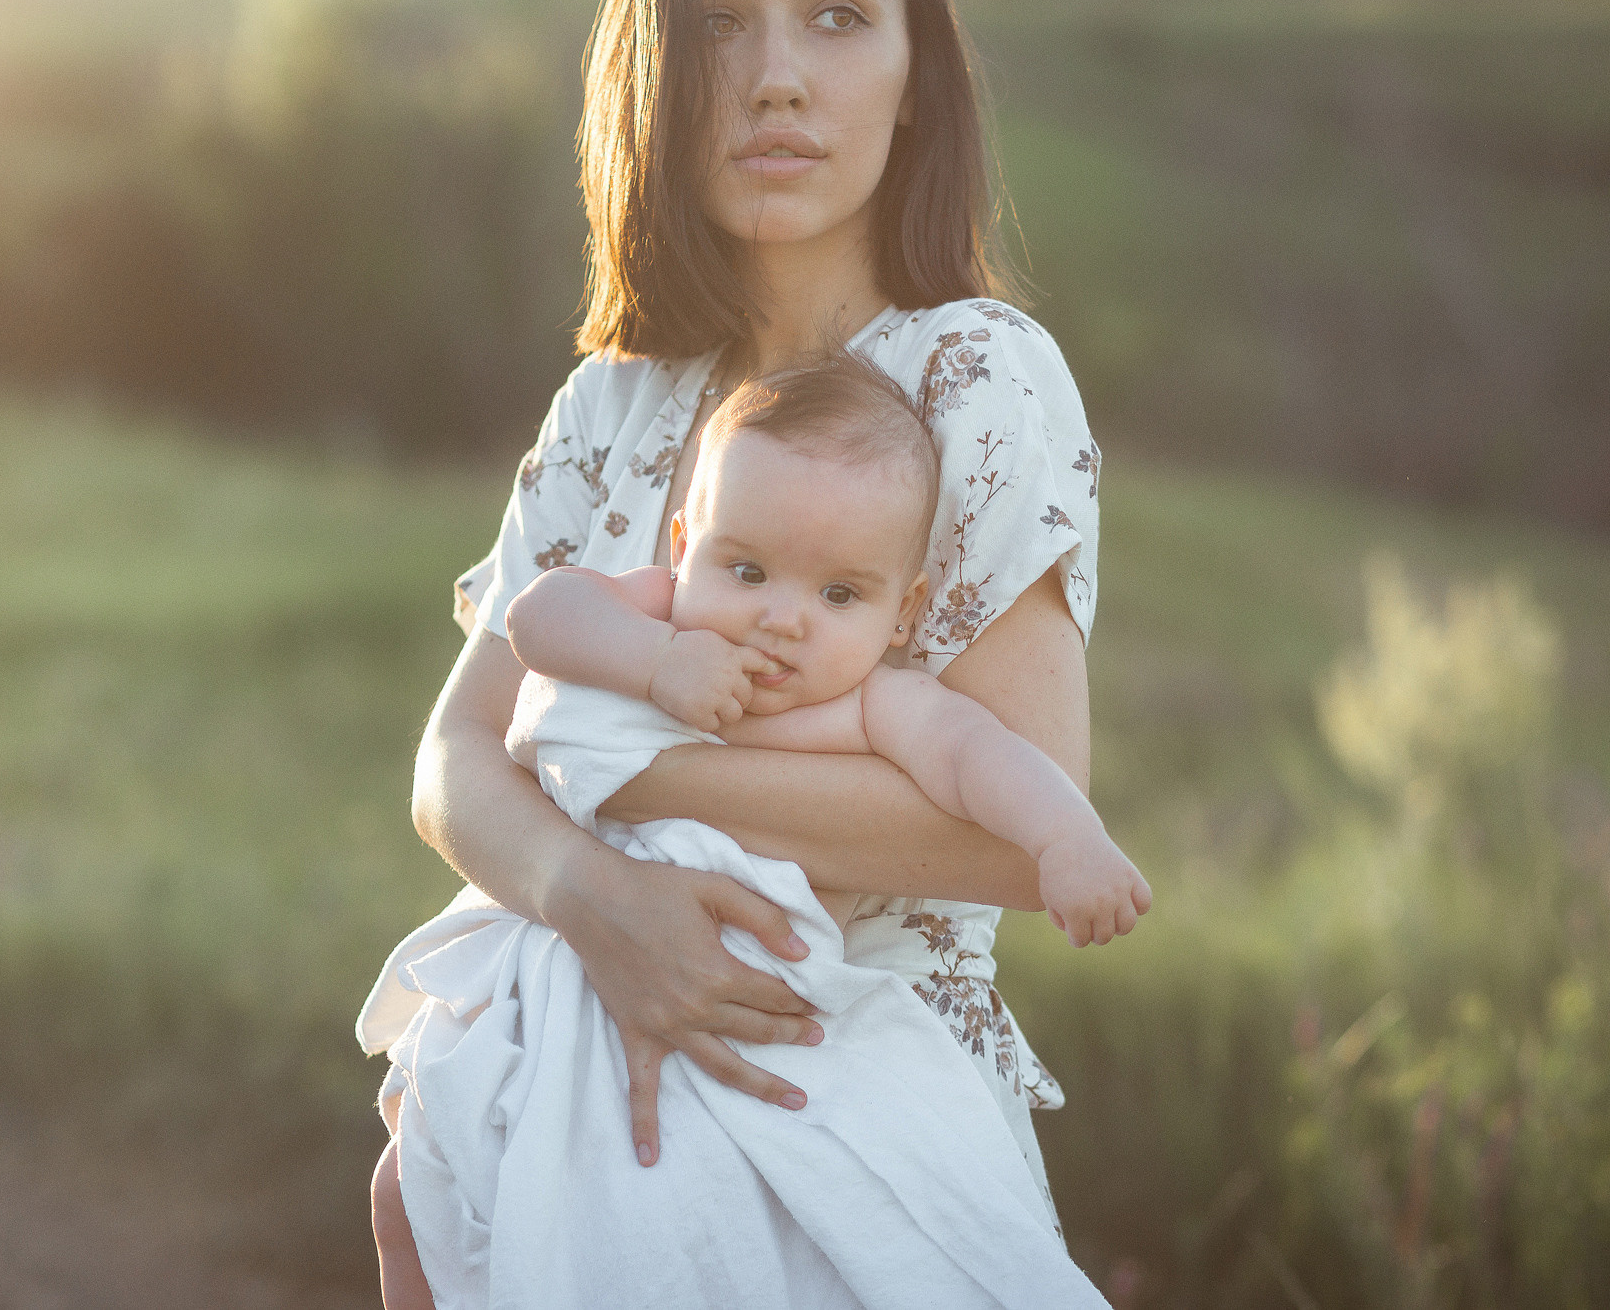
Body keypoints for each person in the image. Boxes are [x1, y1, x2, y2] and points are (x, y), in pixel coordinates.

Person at [369, 0, 1118, 1301]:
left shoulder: (978, 374)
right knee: (418, 1180)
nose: (775, 74)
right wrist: (592, 893)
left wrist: (616, 768)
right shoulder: (619, 395)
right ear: (656, 71)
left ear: (915, 79)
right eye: (719, 22)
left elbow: (1011, 821)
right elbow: (451, 759)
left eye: (836, 15)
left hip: (839, 1070)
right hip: (584, 1043)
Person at [357, 359, 1148, 1305]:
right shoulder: (664, 614)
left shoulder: (878, 705)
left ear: (907, 611)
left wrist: (1068, 839)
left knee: (690, 1231)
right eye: (747, 570)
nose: (783, 618)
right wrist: (657, 661)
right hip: (570, 960)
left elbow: (983, 760)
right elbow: (539, 616)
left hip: (743, 1014)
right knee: (412, 1187)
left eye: (840, 595)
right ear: (687, 545)